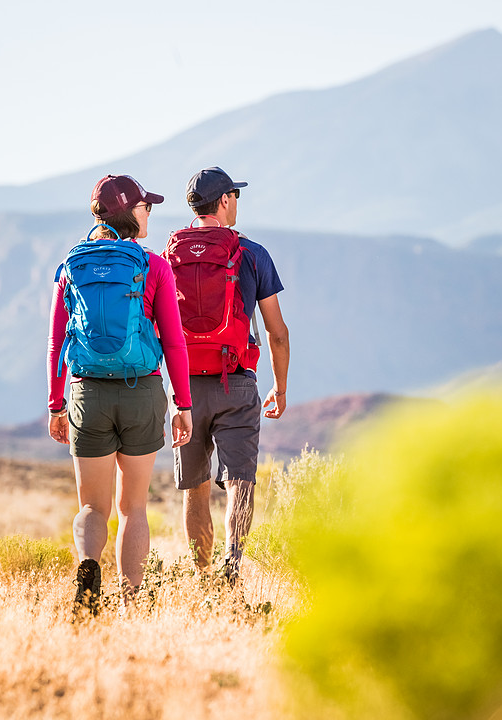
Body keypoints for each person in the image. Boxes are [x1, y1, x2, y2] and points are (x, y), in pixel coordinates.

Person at [47, 174, 193, 614]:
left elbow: (57, 343)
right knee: (132, 508)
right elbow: (173, 341)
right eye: (145, 206)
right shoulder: (154, 266)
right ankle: (132, 600)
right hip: (141, 394)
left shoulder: (72, 265)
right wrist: (182, 405)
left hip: (86, 394)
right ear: (129, 212)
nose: (149, 212)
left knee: (92, 506)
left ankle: (89, 571)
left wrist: (56, 405)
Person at [172, 167, 289, 581]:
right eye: (234, 196)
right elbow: (276, 332)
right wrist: (280, 386)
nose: (236, 202)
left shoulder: (170, 255)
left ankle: (202, 578)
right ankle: (231, 569)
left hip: (186, 385)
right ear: (223, 201)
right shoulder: (252, 253)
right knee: (241, 479)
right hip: (236, 380)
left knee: (195, 485)